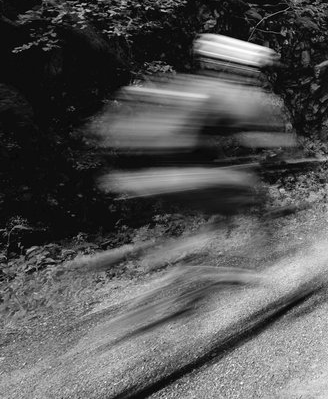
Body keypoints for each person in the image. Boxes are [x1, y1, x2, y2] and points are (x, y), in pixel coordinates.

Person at [82, 34, 299, 339]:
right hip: (183, 176)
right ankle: (258, 272)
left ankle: (156, 258)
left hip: (136, 177)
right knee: (253, 195)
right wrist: (287, 152)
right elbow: (266, 140)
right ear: (238, 67)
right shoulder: (229, 93)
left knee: (218, 207)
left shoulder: (184, 86)